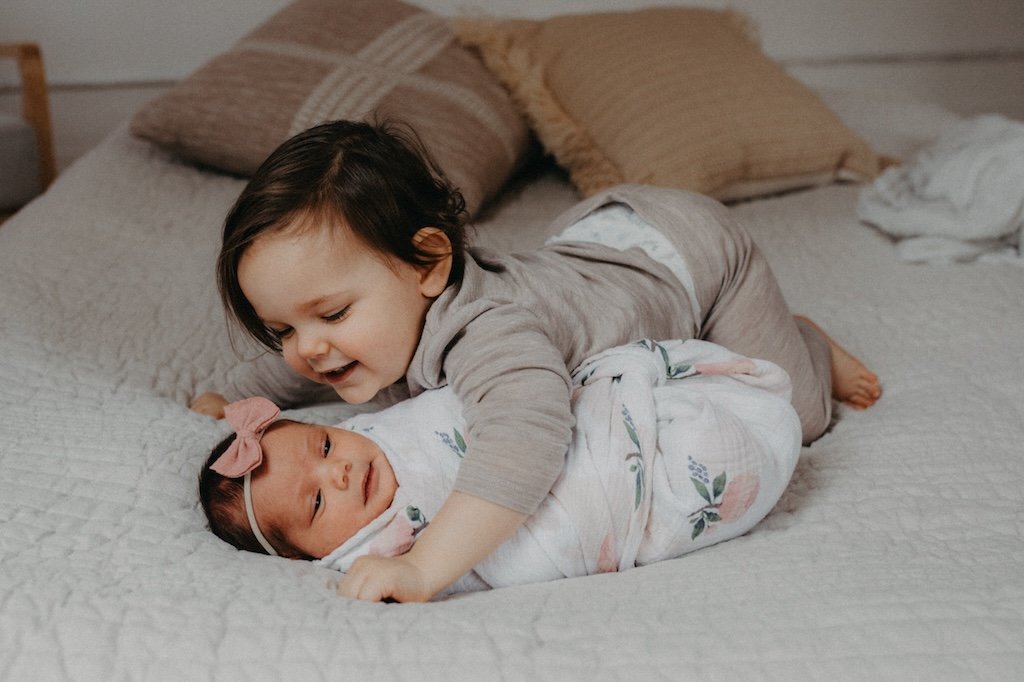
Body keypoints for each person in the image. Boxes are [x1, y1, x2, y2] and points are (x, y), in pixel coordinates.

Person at [194, 119, 880, 602]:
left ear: (429, 264)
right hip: (596, 246)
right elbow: (304, 364)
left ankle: (806, 340)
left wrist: (426, 568)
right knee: (350, 339)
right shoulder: (365, 325)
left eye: (334, 314)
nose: (308, 347)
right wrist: (236, 399)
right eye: (281, 326)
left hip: (689, 260)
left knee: (798, 412)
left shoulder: (489, 333)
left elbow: (526, 440)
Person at [199, 339, 805, 598]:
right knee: (719, 464)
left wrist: (224, 412)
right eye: (315, 505)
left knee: (624, 385)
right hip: (603, 496)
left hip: (574, 421)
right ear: (309, 556)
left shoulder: (368, 431)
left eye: (326, 449)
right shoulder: (372, 548)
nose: (338, 474)